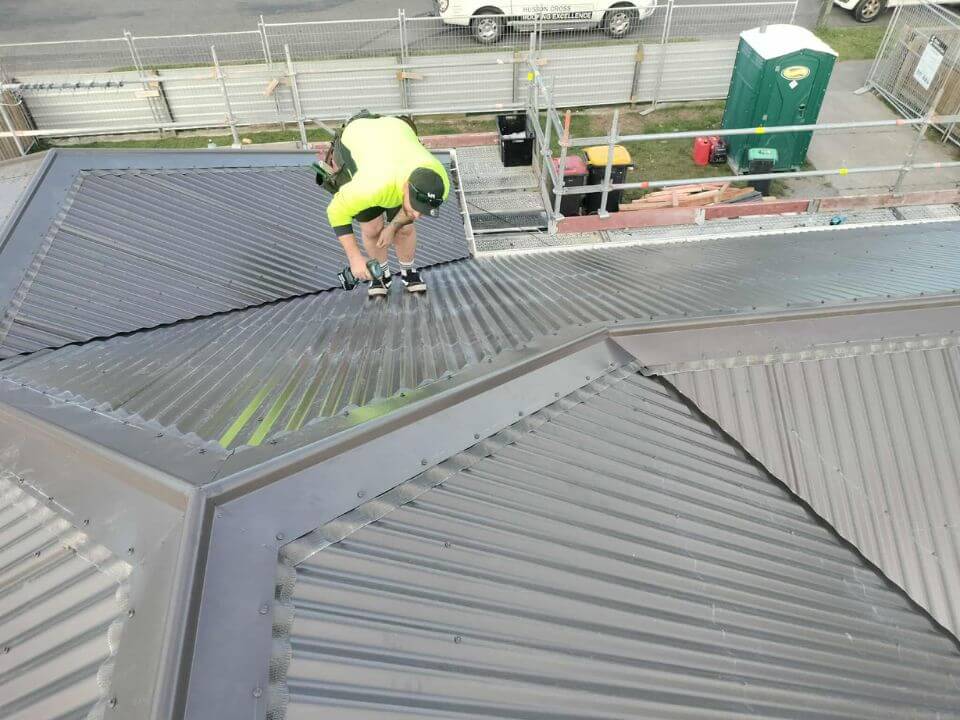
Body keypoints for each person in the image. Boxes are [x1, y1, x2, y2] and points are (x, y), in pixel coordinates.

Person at [322, 112, 449, 297]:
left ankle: (408, 271)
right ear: (406, 187)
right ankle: (380, 274)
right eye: (415, 206)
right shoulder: (370, 185)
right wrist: (355, 259)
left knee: (405, 229)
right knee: (372, 228)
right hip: (357, 139)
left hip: (395, 131)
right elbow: (336, 212)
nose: (417, 214)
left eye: (423, 210)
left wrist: (393, 227)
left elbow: (411, 213)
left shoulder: (439, 182)